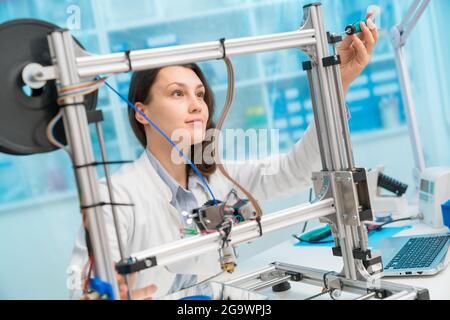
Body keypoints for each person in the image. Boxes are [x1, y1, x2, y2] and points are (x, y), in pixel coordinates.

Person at [69, 17, 378, 300]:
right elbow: (81, 286)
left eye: (200, 94)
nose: (196, 105)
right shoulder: (113, 196)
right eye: (178, 93)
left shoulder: (220, 177)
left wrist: (337, 86)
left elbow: (295, 171)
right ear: (142, 113)